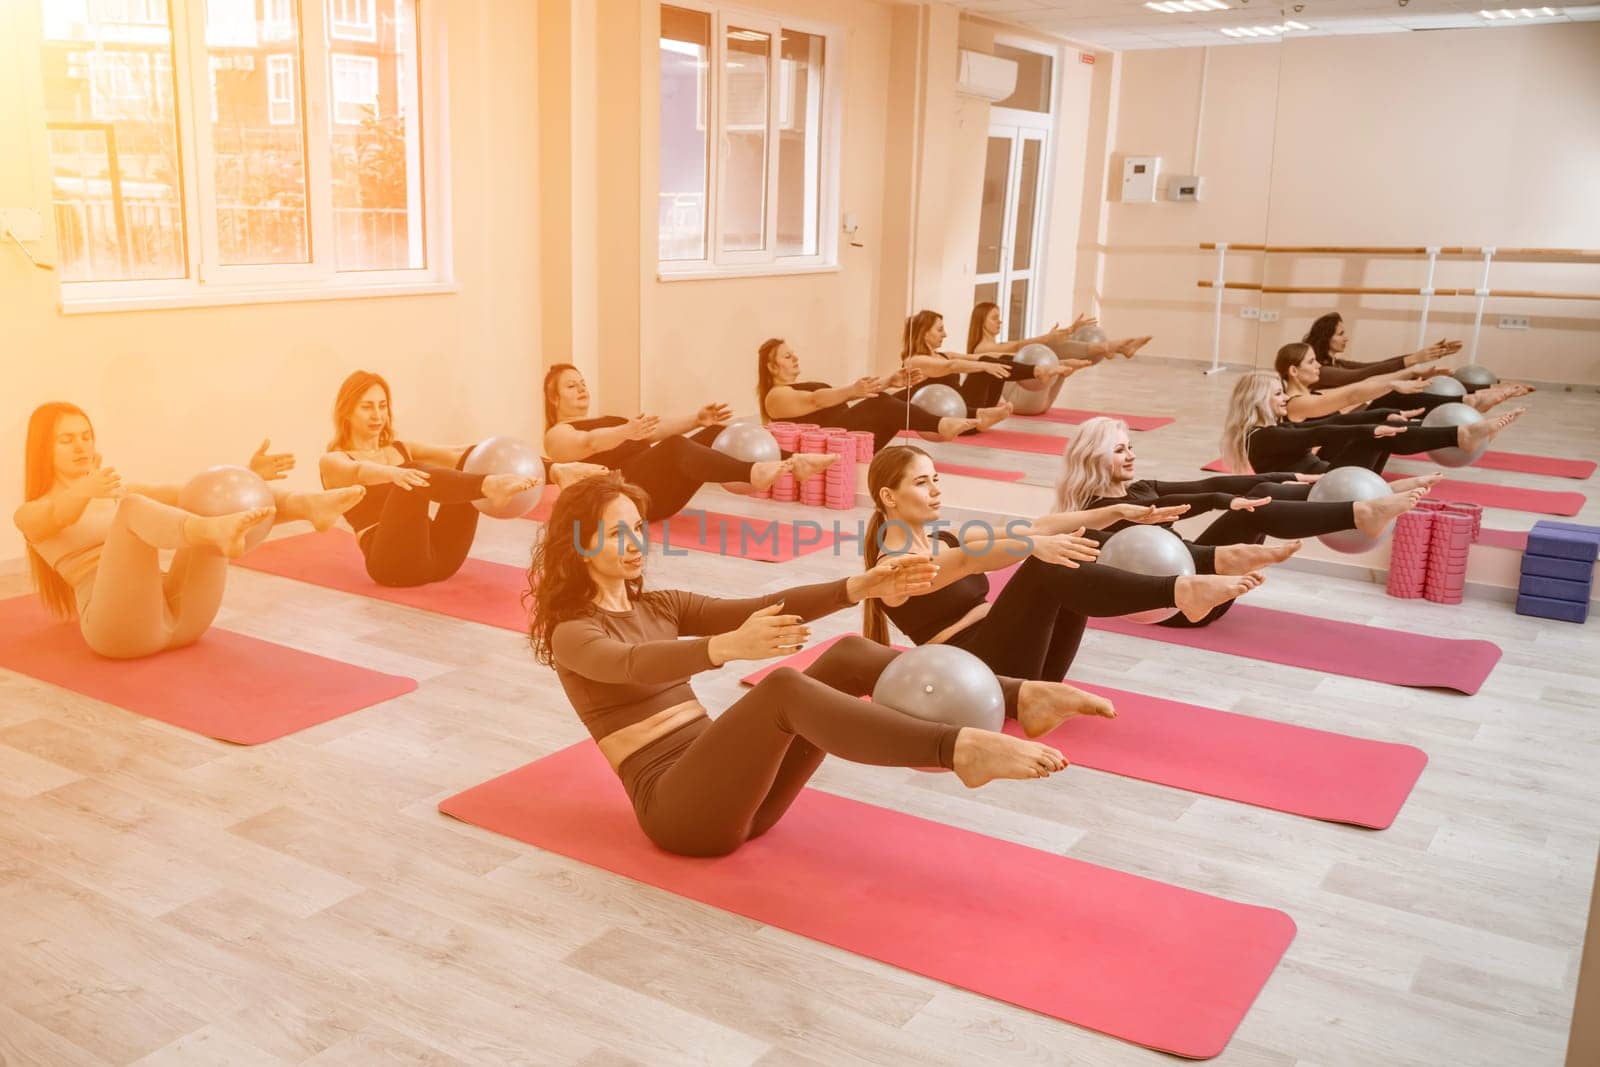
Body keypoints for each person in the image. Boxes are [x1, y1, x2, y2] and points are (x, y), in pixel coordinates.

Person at [531, 472, 1118, 858]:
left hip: (742, 795)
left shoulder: (659, 604)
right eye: (614, 533)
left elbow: (765, 605)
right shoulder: (573, 634)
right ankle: (956, 749)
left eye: (637, 529)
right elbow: (631, 663)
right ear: (578, 543)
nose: (635, 544)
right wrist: (726, 648)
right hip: (681, 815)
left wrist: (859, 585)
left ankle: (1020, 698)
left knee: (845, 655)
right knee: (783, 689)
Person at [861, 445, 1264, 679]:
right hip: (975, 673)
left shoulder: (940, 538)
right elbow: (966, 560)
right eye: (921, 482)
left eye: (936, 479)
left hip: (1023, 665)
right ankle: (1178, 590)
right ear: (889, 497)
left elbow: (1037, 525)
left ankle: (1189, 577)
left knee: (1071, 543)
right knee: (1041, 562)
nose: (934, 490)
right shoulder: (891, 569)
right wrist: (1032, 547)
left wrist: (1111, 513)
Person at [16, 401, 363, 659]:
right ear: (43, 450)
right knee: (132, 506)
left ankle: (308, 507)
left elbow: (188, 492)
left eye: (86, 436)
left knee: (198, 496)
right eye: (67, 440)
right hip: (118, 631)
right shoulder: (30, 514)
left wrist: (246, 476)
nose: (81, 446)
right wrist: (85, 490)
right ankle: (212, 531)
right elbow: (58, 516)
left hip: (182, 621)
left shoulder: (117, 491)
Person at [1054, 416, 1439, 625]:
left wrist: (1288, 478)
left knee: (1257, 501)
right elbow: (1196, 497)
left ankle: (1366, 503)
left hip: (1209, 586)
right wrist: (1225, 502)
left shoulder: (1139, 489)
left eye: (1131, 447)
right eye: (1119, 450)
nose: (1130, 456)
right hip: (1178, 607)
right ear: (1093, 458)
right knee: (1243, 509)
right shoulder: (1093, 513)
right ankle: (1359, 513)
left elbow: (1212, 481)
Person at [320, 369, 588, 588]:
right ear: (347, 412)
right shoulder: (334, 460)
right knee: (412, 475)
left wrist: (554, 469)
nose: (378, 415)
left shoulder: (401, 449)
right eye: (367, 407)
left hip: (440, 560)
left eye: (382, 406)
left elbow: (461, 452)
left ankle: (516, 479)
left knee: (468, 460)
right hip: (392, 566)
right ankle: (486, 486)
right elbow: (359, 472)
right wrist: (396, 473)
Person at [544, 363, 836, 519]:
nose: (582, 388)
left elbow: (653, 432)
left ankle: (793, 461)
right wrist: (624, 432)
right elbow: (589, 445)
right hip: (622, 497)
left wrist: (697, 420)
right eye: (572, 386)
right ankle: (752, 473)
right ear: (554, 398)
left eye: (583, 383)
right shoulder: (558, 433)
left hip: (653, 491)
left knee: (714, 433)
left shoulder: (608, 418)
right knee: (674, 447)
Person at [1222, 367, 1523, 477]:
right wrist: (1373, 428)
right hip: (1326, 486)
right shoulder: (1260, 437)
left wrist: (1380, 416)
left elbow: (1334, 423)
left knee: (1381, 424)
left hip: (1332, 476)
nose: (1285, 398)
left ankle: (1458, 433)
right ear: (1258, 400)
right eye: (1278, 394)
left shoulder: (1270, 429)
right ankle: (1458, 435)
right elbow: (1321, 430)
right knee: (1375, 435)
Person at [755, 338, 997, 452]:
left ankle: (975, 414)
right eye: (787, 357)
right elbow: (815, 400)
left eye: (793, 353)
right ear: (772, 367)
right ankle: (940, 425)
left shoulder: (801, 385)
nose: (795, 358)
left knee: (903, 395)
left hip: (852, 438)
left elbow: (843, 396)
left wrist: (889, 381)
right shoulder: (775, 397)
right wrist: (852, 390)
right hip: (834, 446)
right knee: (880, 404)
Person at [960, 302, 1151, 410]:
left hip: (1037, 403)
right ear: (981, 321)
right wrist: (1058, 334)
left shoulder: (994, 345)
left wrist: (1055, 337)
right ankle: (1108, 347)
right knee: (1046, 347)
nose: (1000, 321)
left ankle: (1108, 348)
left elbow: (1019, 347)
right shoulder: (982, 349)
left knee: (1049, 350)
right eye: (994, 317)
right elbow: (1018, 345)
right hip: (1020, 403)